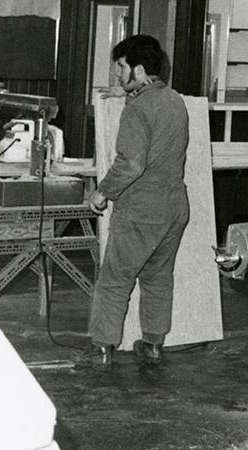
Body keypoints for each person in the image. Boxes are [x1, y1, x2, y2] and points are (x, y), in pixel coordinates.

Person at [81, 35, 190, 369]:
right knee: (158, 279)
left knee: (115, 279)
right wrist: (126, 93)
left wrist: (103, 191)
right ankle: (154, 345)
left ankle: (102, 348)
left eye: (121, 68)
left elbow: (130, 164)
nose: (116, 75)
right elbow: (150, 111)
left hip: (141, 209)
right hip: (174, 208)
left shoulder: (137, 110)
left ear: (139, 70)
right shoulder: (175, 101)